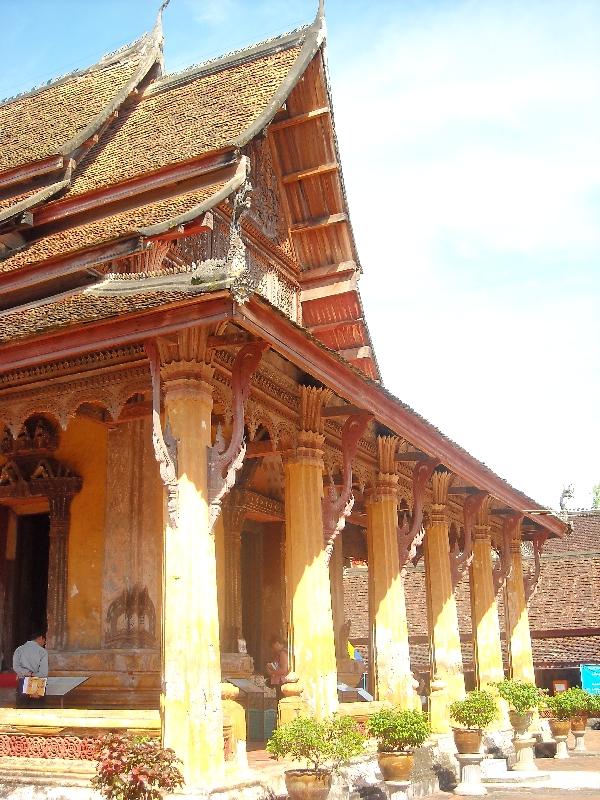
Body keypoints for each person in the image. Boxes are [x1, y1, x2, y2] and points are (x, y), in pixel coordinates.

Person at [13, 629, 48, 707]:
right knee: (36, 711)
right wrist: (33, 675)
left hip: (22, 681)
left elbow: (16, 667)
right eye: (44, 640)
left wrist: (27, 673)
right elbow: (43, 673)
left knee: (21, 710)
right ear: (40, 638)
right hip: (37, 682)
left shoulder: (19, 650)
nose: (44, 643)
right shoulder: (42, 652)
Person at [265, 635, 289, 701]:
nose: (273, 649)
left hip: (281, 682)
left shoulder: (283, 653)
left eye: (273, 646)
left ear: (277, 643)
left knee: (280, 701)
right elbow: (278, 666)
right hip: (279, 682)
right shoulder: (280, 653)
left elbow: (284, 670)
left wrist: (272, 672)